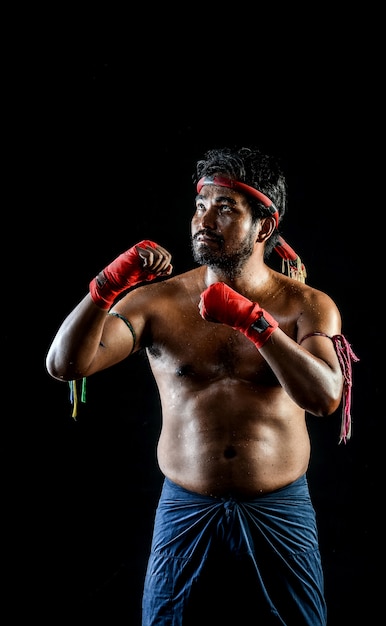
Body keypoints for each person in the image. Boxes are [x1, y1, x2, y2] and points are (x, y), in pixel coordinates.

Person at [46, 146, 358, 625]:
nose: (203, 219)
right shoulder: (159, 302)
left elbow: (324, 397)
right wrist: (104, 288)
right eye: (200, 205)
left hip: (279, 509)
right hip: (185, 507)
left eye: (225, 207)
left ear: (264, 226)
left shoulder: (306, 305)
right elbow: (64, 365)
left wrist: (257, 325)